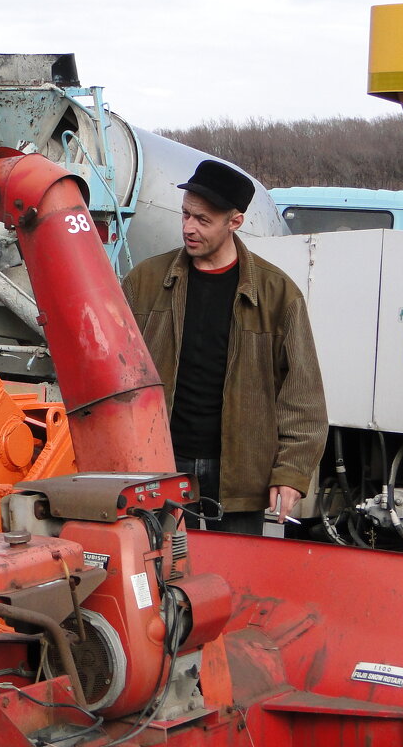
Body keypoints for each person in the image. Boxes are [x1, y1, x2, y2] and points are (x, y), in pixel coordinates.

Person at [121, 160, 328, 534]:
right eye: (185, 214)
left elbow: (303, 395)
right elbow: (114, 374)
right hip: (158, 466)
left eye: (202, 220)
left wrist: (292, 472)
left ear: (235, 222)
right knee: (157, 580)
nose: (188, 228)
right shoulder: (145, 282)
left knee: (229, 583)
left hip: (238, 478)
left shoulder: (277, 294)